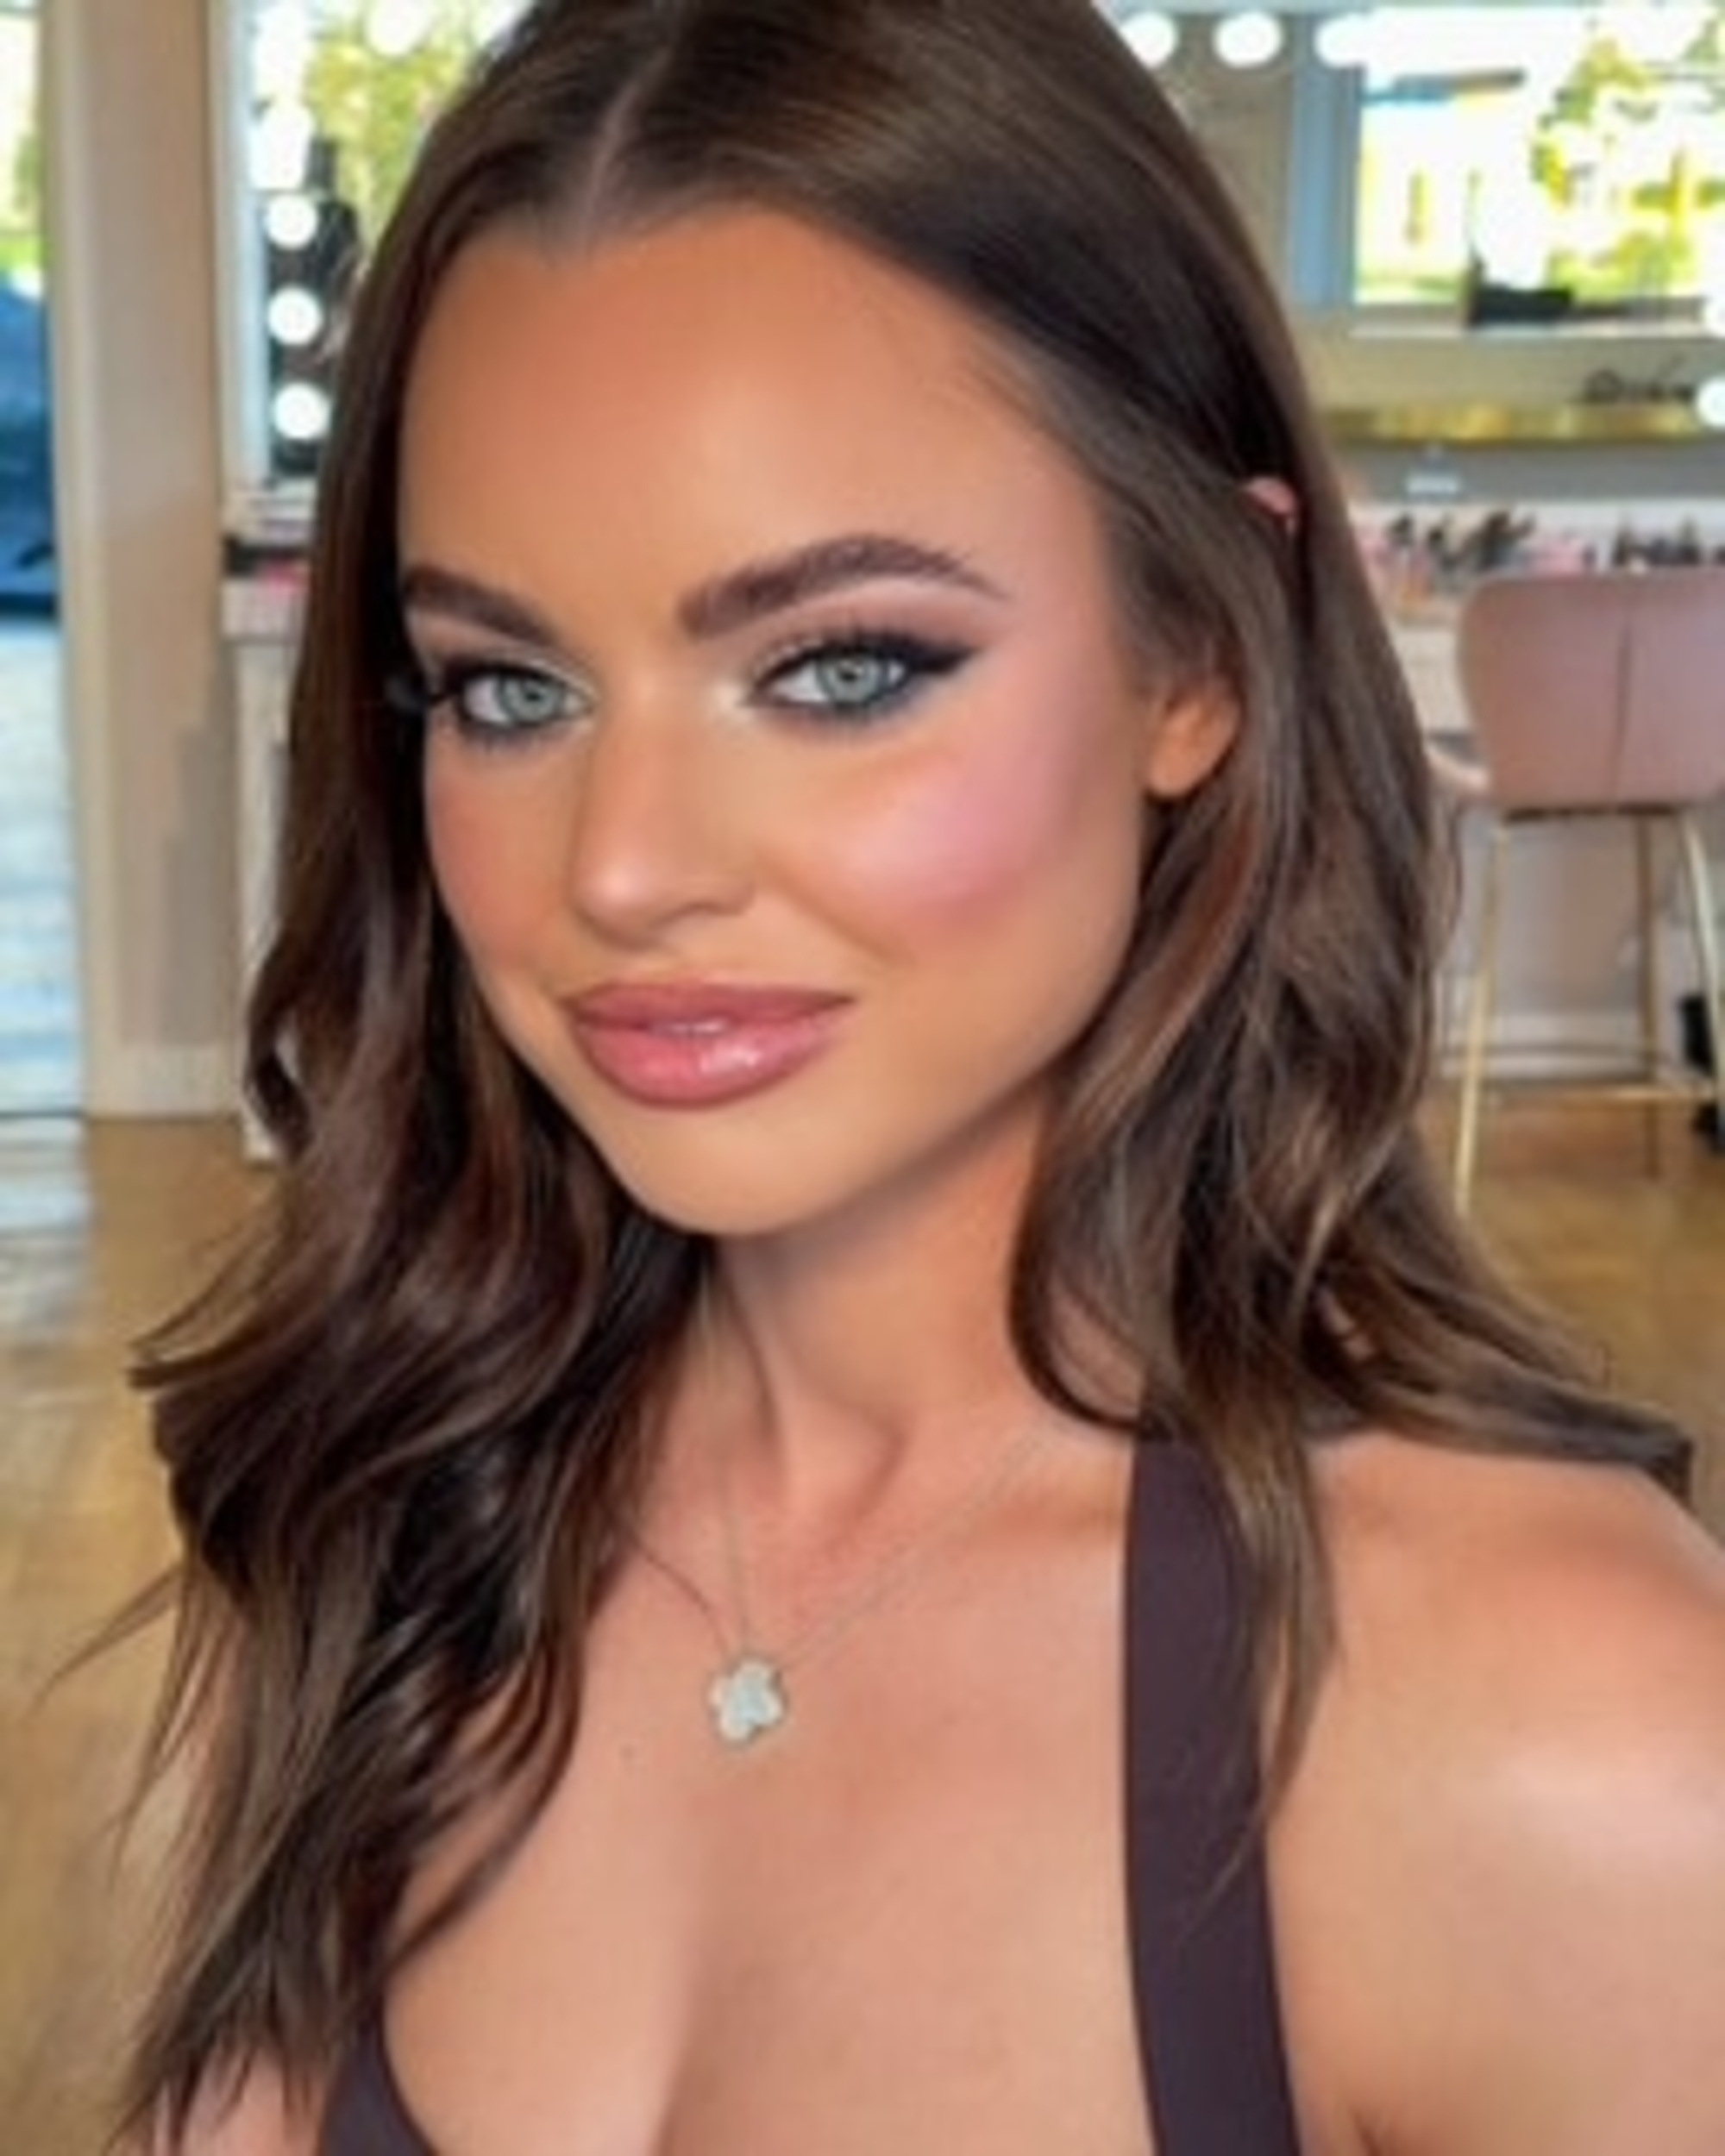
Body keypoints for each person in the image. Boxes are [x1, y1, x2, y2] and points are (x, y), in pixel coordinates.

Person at [122, 2, 1725, 2149]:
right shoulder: (380, 1530)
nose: (623, 867)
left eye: (841, 667)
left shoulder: (1564, 1729)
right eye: (505, 687)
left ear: (1194, 652)